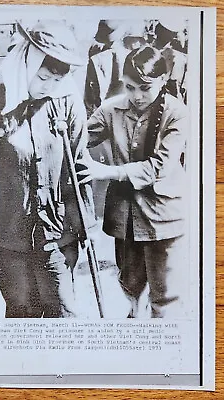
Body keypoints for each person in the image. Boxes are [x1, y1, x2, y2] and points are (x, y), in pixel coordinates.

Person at [0, 21, 95, 318]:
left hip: (56, 233)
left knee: (62, 311)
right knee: (21, 312)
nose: (49, 87)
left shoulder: (66, 102)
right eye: (44, 78)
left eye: (57, 81)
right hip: (9, 236)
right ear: (27, 62)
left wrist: (85, 225)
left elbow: (79, 165)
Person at [78, 45, 188, 318]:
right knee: (130, 289)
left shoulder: (177, 113)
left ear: (162, 82)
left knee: (165, 298)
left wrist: (106, 172)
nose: (136, 96)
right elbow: (77, 141)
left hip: (164, 219)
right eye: (129, 87)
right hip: (125, 219)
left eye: (144, 88)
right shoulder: (111, 110)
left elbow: (157, 168)